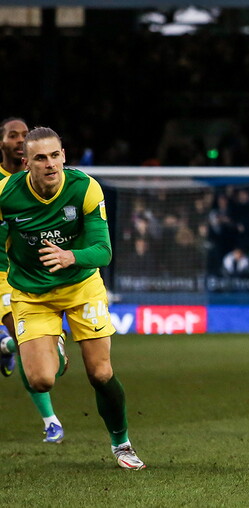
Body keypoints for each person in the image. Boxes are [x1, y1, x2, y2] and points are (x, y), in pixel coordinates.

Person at [0, 127, 144, 468]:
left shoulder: (84, 188)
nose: (49, 164)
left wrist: (71, 256)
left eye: (55, 155)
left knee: (100, 373)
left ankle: (121, 443)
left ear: (64, 155)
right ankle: (56, 345)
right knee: (41, 379)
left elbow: (103, 251)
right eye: (40, 158)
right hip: (31, 293)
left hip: (80, 286)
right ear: (25, 163)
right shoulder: (7, 193)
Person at [0, 117, 68, 444]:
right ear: (2, 143)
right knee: (28, 343)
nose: (18, 140)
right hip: (5, 276)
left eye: (24, 136)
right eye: (12, 135)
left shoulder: (51, 183)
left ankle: (7, 346)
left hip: (38, 273)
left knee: (38, 354)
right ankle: (50, 419)